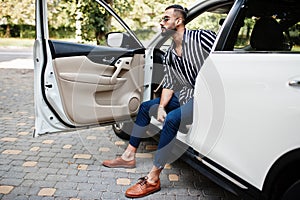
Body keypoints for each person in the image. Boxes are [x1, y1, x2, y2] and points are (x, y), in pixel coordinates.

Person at [102, 4, 216, 198]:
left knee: (171, 119)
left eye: (165, 19)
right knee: (147, 107)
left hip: (207, 99)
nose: (161, 23)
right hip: (188, 95)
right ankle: (128, 156)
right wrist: (161, 106)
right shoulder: (171, 53)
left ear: (178, 21)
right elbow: (169, 85)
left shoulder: (201, 37)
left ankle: (153, 178)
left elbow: (222, 49)